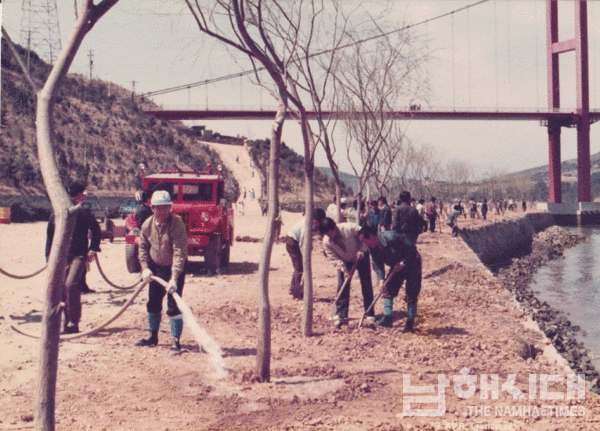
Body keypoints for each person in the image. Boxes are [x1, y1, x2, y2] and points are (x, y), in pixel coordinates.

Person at [45, 182, 102, 334]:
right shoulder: (57, 214)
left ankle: (74, 321)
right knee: (61, 288)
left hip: (79, 255)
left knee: (71, 285)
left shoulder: (84, 212)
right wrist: (48, 258)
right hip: (61, 256)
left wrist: (93, 249)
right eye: (82, 194)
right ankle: (66, 322)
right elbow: (50, 237)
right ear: (78, 196)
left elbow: (96, 231)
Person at [136, 190, 188, 355]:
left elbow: (179, 252)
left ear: (169, 208)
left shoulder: (177, 223)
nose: (162, 211)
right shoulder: (147, 224)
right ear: (152, 208)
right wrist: (144, 268)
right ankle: (152, 337)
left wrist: (174, 278)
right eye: (159, 208)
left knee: (173, 306)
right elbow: (142, 246)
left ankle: (175, 341)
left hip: (174, 269)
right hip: (156, 269)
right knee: (153, 303)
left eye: (166, 208)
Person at [358, 224, 422, 332]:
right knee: (387, 289)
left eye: (365, 241)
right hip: (396, 266)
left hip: (412, 263)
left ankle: (410, 323)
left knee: (411, 293)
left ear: (372, 236)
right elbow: (377, 264)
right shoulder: (372, 248)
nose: (365, 244)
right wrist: (381, 280)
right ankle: (387, 319)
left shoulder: (392, 237)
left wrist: (403, 263)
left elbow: (412, 249)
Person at [319, 218, 375, 327]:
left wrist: (362, 249)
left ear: (334, 228)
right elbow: (334, 259)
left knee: (366, 284)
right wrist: (344, 270)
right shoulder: (326, 242)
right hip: (344, 261)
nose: (330, 237)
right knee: (342, 285)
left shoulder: (349, 228)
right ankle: (340, 314)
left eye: (331, 233)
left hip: (361, 257)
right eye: (327, 235)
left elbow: (366, 235)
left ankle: (369, 312)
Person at [285, 208, 326, 300]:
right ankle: (296, 293)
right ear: (315, 220)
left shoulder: (310, 222)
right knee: (299, 268)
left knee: (299, 267)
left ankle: (293, 288)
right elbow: (302, 243)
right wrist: (305, 256)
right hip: (292, 242)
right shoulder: (306, 226)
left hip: (295, 241)